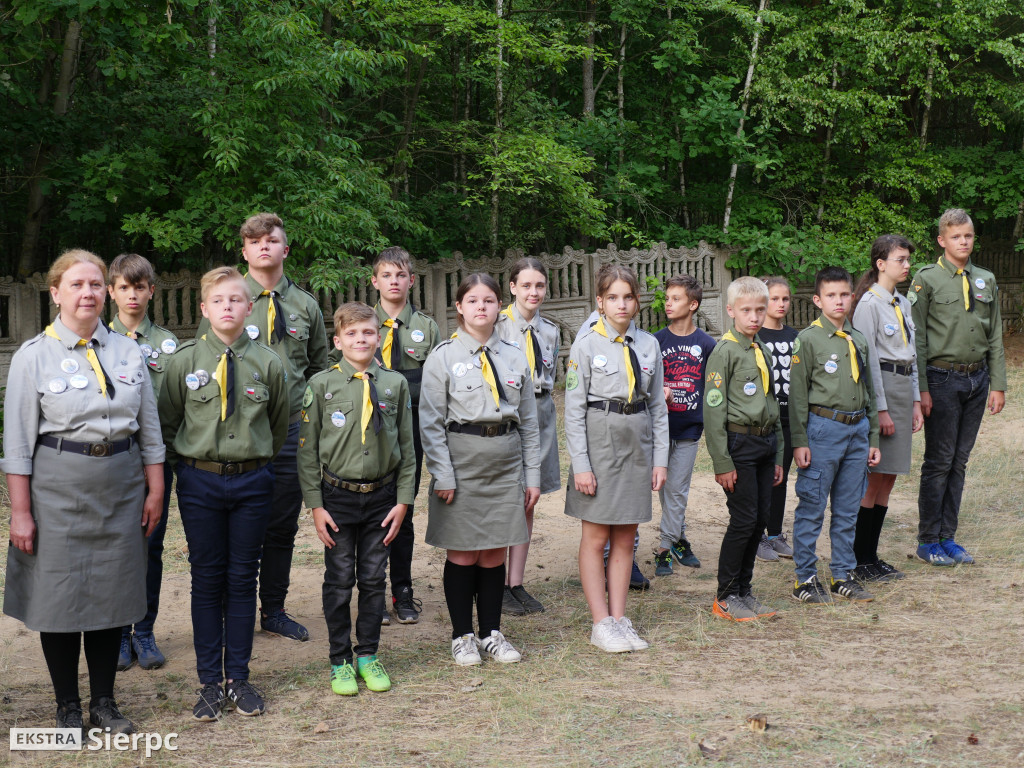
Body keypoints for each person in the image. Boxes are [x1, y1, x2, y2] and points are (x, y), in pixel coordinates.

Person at [3, 249, 165, 734]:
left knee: (110, 596)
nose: (88, 292)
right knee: (59, 597)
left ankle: (104, 703)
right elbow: (16, 442)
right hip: (58, 488)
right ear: (56, 293)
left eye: (96, 284)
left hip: (121, 485)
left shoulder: (127, 349)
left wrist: (155, 489)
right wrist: (20, 512)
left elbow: (149, 428)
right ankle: (67, 706)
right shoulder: (33, 356)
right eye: (76, 284)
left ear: (107, 291)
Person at [159, 266, 289, 721]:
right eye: (219, 301)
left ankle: (239, 677)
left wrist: (255, 465)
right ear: (204, 309)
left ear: (248, 306)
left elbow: (277, 425)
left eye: (236, 300)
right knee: (206, 578)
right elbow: (169, 422)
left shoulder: (269, 363)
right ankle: (209, 682)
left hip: (253, 481)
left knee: (242, 578)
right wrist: (191, 470)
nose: (228, 307)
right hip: (200, 481)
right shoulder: (184, 361)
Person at [196, 212, 329, 642]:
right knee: (232, 527)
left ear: (284, 249)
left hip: (289, 432)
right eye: (254, 241)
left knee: (280, 525)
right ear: (245, 251)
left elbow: (319, 365)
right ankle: (227, 611)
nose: (264, 247)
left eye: (272, 240)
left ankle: (273, 609)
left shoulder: (306, 305)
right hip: (238, 434)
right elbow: (204, 359)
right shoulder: (228, 298)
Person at [420, 273, 541, 666]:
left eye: (488, 300)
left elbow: (529, 422)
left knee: (493, 553)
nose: (481, 308)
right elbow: (431, 423)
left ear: (498, 305)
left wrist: (532, 476)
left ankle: (491, 632)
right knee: (463, 554)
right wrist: (443, 474)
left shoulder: (514, 354)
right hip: (462, 462)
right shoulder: (443, 356)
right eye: (473, 301)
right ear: (459, 307)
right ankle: (462, 636)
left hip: (505, 462)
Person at [299, 302, 415, 695]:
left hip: (382, 498)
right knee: (338, 580)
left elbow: (408, 448)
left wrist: (404, 500)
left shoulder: (394, 384)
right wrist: (316, 505)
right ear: (337, 340)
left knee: (372, 577)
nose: (361, 339)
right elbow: (307, 452)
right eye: (351, 333)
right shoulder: (321, 385)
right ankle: (340, 660)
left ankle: (367, 654)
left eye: (368, 332)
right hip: (337, 498)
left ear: (379, 337)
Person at [564, 264, 668, 653]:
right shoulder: (587, 344)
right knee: (596, 536)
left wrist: (660, 460)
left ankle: (620, 618)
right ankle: (600, 621)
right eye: (613, 298)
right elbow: (573, 410)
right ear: (600, 302)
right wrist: (582, 465)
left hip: (637, 442)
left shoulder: (648, 345)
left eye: (628, 297)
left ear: (637, 300)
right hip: (599, 441)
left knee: (626, 534)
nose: (621, 304)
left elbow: (657, 405)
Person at [909, 208, 1006, 566]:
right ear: (942, 240)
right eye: (956, 236)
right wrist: (921, 389)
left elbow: (994, 334)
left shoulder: (986, 279)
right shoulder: (926, 279)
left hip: (978, 379)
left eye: (968, 235)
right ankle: (927, 540)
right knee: (939, 461)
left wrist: (998, 383)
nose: (963, 241)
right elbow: (916, 339)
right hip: (942, 378)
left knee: (960, 461)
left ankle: (948, 537)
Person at [789, 267, 880, 604]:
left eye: (844, 294)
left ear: (851, 296)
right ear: (818, 300)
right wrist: (800, 441)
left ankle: (843, 573)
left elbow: (867, 389)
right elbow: (797, 397)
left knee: (847, 508)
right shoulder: (808, 340)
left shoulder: (857, 338)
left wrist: (872, 438)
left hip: (857, 429)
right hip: (823, 429)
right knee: (812, 505)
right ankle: (805, 579)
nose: (839, 301)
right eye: (831, 295)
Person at [107, 252, 179, 671]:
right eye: (123, 287)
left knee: (151, 545)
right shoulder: (97, 340)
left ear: (151, 290)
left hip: (156, 461)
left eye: (139, 287)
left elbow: (175, 404)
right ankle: (117, 633)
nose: (132, 295)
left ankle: (145, 630)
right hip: (113, 461)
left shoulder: (168, 345)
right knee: (118, 548)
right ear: (111, 292)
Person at [367, 246, 440, 625]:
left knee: (403, 509)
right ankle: (373, 591)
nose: (394, 282)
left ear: (411, 280)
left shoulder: (426, 327)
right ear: (375, 281)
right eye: (386, 275)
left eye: (401, 275)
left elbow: (433, 384)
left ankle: (403, 590)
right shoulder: (362, 323)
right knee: (373, 510)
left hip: (410, 428)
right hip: (370, 428)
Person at [703, 277, 783, 621]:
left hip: (765, 442)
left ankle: (744, 592)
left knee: (760, 520)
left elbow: (771, 401)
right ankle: (725, 597)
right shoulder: (725, 351)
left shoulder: (759, 347)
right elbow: (713, 410)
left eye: (760, 310)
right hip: (740, 444)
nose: (754, 316)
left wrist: (778, 454)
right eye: (747, 310)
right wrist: (723, 462)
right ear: (731, 310)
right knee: (744, 519)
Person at [851, 236, 923, 582]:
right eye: (900, 259)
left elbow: (911, 355)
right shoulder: (869, 304)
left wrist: (915, 402)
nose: (907, 265)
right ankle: (858, 558)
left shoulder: (902, 302)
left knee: (889, 477)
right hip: (882, 391)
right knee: (874, 478)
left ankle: (872, 556)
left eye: (908, 259)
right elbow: (867, 362)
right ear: (881, 263)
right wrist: (879, 410)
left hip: (901, 388)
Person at [496, 257, 561, 614]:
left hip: (541, 413)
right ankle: (496, 581)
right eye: (526, 285)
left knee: (529, 499)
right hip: (509, 415)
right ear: (512, 287)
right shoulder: (497, 325)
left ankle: (515, 581)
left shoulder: (550, 330)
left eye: (539, 286)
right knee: (507, 497)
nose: (533, 292)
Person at [652, 275, 714, 577]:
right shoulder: (655, 341)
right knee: (666, 491)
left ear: (693, 304)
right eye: (667, 298)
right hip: (659, 431)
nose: (668, 303)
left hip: (689, 429)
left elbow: (712, 389)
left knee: (677, 490)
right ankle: (680, 539)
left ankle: (664, 548)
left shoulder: (706, 344)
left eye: (675, 298)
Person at [755, 276, 798, 562]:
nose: (780, 304)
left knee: (781, 478)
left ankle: (774, 534)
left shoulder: (796, 337)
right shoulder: (755, 336)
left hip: (790, 419)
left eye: (785, 299)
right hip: (764, 422)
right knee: (762, 478)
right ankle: (756, 535)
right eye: (774, 298)